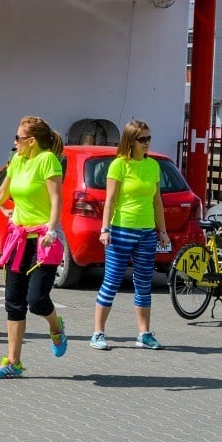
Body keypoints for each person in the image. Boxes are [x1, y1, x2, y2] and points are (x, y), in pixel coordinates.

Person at [0, 116, 68, 379]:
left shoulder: (48, 160)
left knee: (37, 301)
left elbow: (56, 198)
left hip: (43, 240)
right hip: (18, 239)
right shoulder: (17, 161)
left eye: (18, 138)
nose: (15, 141)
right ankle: (13, 362)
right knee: (14, 303)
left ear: (31, 141)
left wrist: (52, 229)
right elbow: (0, 195)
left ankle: (56, 326)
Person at [90, 120, 169, 350]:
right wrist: (105, 229)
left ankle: (144, 334)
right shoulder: (118, 165)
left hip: (146, 233)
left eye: (149, 139)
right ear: (130, 141)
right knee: (112, 281)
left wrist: (162, 231)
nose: (146, 143)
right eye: (142, 139)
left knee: (144, 283)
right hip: (121, 230)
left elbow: (157, 201)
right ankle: (98, 333)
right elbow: (110, 201)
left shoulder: (153, 165)